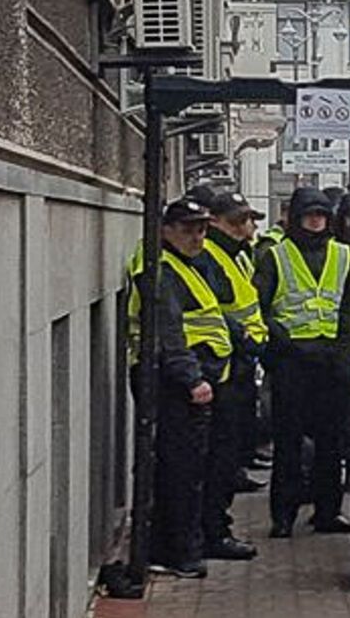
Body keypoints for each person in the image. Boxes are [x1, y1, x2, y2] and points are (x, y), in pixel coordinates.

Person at [126, 197, 231, 577]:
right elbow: (167, 331)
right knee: (179, 470)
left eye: (202, 229)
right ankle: (177, 552)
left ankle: (178, 547)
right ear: (165, 230)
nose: (197, 237)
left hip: (180, 378)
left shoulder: (179, 264)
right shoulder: (159, 268)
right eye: (188, 230)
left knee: (183, 468)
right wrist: (192, 378)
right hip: (171, 381)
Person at [252, 186, 350, 538]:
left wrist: (344, 350)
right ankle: (283, 515)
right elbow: (259, 309)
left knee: (331, 442)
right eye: (309, 215)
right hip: (292, 361)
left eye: (321, 215)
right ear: (296, 218)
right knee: (289, 443)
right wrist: (283, 346)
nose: (315, 221)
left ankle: (328, 512)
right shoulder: (275, 256)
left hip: (332, 362)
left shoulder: (345, 255)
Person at [196, 189, 266, 561]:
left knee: (226, 457)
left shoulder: (235, 255)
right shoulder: (210, 255)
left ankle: (215, 527)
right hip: (219, 370)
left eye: (249, 220)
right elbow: (217, 311)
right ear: (215, 222)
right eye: (238, 221)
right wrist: (245, 339)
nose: (247, 228)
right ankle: (212, 531)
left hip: (235, 369)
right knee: (216, 459)